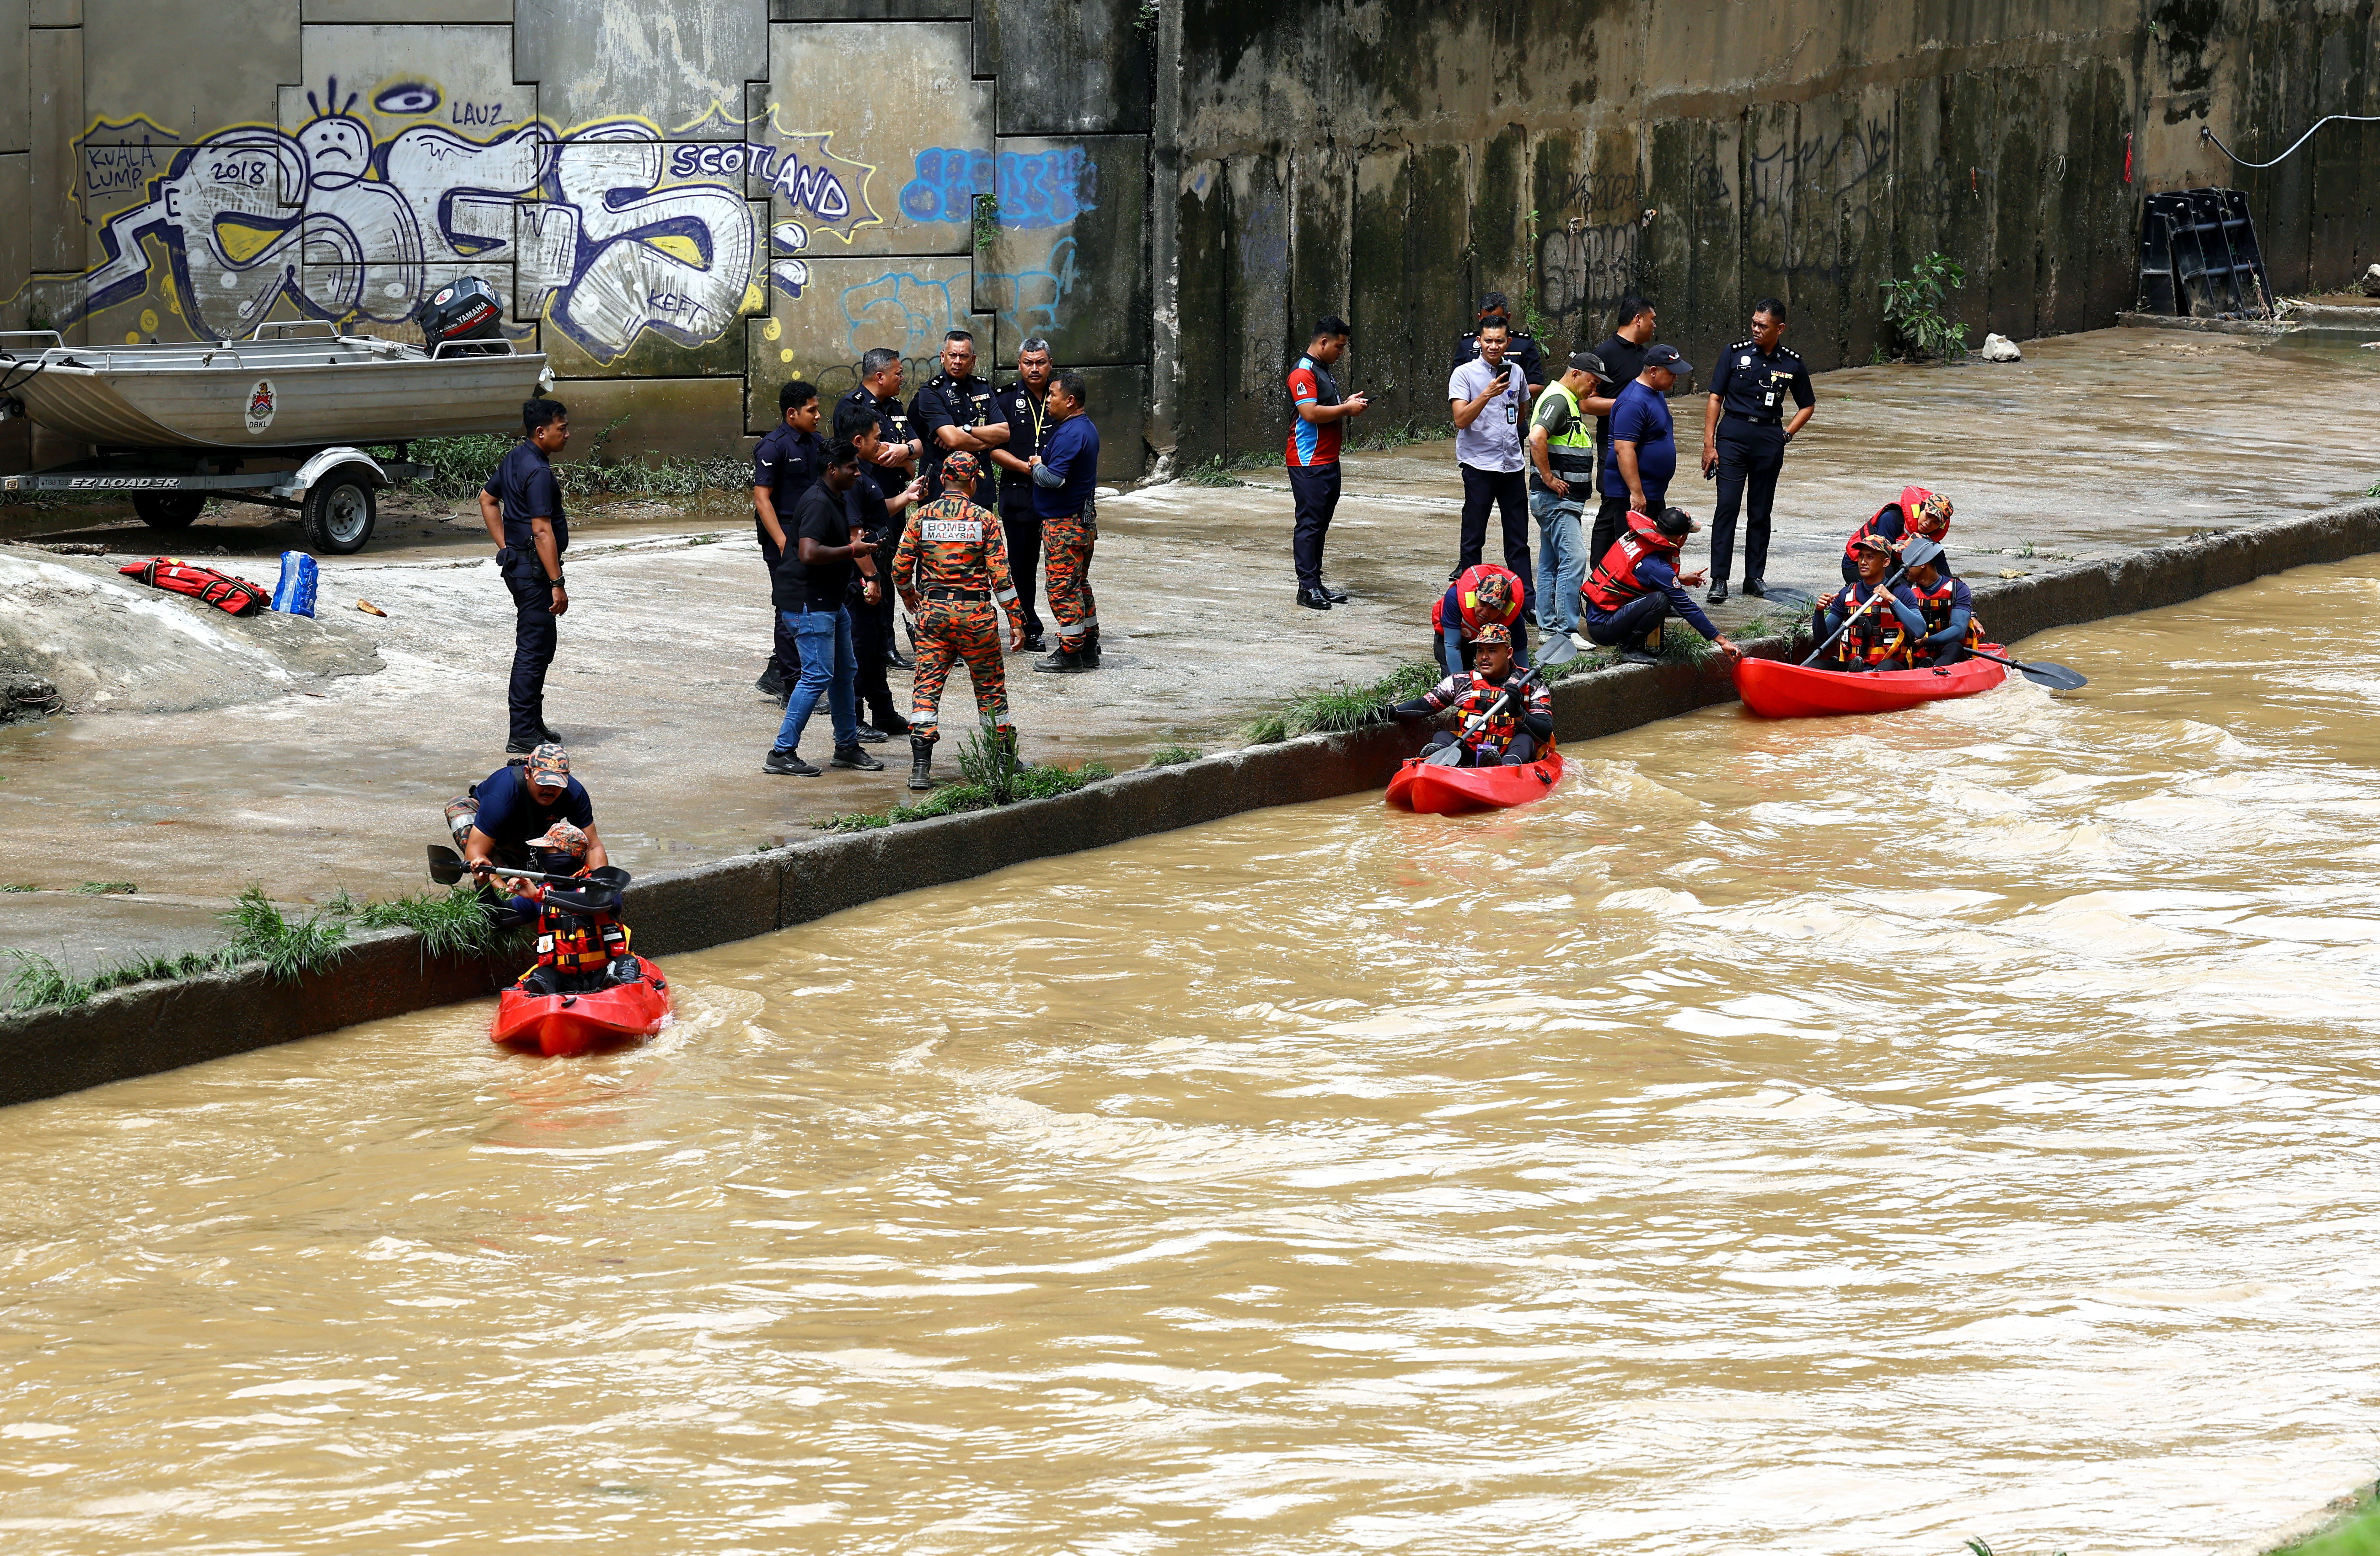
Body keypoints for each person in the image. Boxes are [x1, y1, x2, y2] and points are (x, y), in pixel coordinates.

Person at [892, 450, 1026, 791]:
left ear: (942, 479)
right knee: (991, 688)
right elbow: (1002, 577)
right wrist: (1017, 620)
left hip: (933, 616)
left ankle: (921, 768)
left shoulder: (921, 517)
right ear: (973, 482)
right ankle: (1005, 761)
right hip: (976, 618)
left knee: (927, 686)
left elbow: (898, 568)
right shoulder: (985, 520)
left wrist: (910, 596)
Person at [764, 438, 884, 776]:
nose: (858, 474)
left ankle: (846, 746)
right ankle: (781, 752)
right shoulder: (818, 501)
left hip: (830, 601)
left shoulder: (836, 496)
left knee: (845, 672)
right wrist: (853, 551)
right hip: (808, 602)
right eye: (852, 468)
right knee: (817, 675)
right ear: (833, 469)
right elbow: (808, 553)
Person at [1699, 298, 1815, 603]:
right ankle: (1719, 579)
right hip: (1733, 436)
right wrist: (1709, 444)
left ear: (1780, 329)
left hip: (1767, 437)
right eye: (1753, 323)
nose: (1756, 329)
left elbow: (1808, 405)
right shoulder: (1734, 354)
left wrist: (1786, 435)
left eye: (1763, 326)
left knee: (1760, 512)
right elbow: (1715, 398)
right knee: (1727, 507)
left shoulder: (1791, 362)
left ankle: (1754, 577)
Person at [477, 397, 570, 755]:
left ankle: (532, 722)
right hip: (534, 574)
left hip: (520, 565)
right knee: (533, 650)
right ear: (541, 432)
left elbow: (487, 499)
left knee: (543, 646)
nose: (567, 436)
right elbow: (543, 530)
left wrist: (506, 548)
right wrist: (557, 583)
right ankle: (521, 732)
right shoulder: (539, 472)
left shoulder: (518, 457)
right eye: (562, 430)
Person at [832, 401, 928, 739]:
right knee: (857, 648)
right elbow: (855, 535)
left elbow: (878, 510)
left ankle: (884, 714)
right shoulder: (851, 478)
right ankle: (854, 719)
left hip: (875, 569)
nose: (883, 444)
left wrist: (906, 497)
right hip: (860, 576)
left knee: (874, 646)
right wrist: (871, 579)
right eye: (877, 438)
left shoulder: (866, 472)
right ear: (859, 442)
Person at [839, 348, 923, 670]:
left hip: (892, 497)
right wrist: (903, 456)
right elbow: (865, 453)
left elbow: (918, 446)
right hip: (866, 497)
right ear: (880, 376)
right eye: (898, 373)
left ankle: (886, 644)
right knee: (867, 570)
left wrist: (903, 450)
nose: (903, 378)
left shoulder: (896, 407)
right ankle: (868, 643)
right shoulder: (852, 407)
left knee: (890, 568)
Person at [487, 821, 640, 996]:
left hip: (605, 972)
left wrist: (543, 896)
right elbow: (500, 919)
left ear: (567, 854)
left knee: (626, 963)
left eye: (548, 852)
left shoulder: (603, 886)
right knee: (540, 975)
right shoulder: (540, 891)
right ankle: (543, 1001)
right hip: (564, 980)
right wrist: (483, 882)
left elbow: (592, 904)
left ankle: (622, 992)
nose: (543, 856)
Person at [1447, 317, 1533, 624]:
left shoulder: (1517, 372)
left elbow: (1522, 411)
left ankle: (1526, 601)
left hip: (1511, 464)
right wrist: (1487, 394)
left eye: (1499, 341)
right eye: (1488, 341)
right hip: (1479, 465)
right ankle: (1469, 602)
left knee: (1518, 538)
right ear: (1480, 343)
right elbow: (1460, 420)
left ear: (1508, 342)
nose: (1494, 346)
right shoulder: (1464, 375)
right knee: (1473, 537)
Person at [460, 742, 606, 923]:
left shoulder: (575, 793)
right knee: (457, 807)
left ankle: (528, 867)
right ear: (528, 773)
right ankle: (502, 870)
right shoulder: (502, 793)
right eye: (543, 782)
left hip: (536, 835)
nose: (549, 789)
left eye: (557, 783)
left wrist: (600, 889)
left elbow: (593, 845)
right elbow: (474, 852)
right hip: (497, 832)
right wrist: (500, 890)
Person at [1581, 507, 1745, 667]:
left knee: (1663, 594)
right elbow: (1688, 608)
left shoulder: (1637, 536)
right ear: (1680, 537)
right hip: (1603, 627)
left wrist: (1680, 578)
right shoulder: (1658, 568)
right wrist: (1723, 642)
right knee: (1661, 601)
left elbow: (1638, 573)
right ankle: (1628, 649)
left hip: (1597, 612)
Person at [1382, 625, 1554, 767]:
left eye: (1492, 651)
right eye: (1480, 651)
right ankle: (1436, 762)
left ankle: (1504, 769)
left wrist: (1519, 713)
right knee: (1442, 737)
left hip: (1510, 755)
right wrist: (1390, 711)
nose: (1484, 657)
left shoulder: (1531, 686)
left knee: (1525, 740)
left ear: (1509, 654)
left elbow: (1545, 733)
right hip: (1469, 752)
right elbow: (1424, 705)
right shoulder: (1462, 682)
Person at [1527, 349, 1605, 658]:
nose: (1594, 389)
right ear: (1576, 374)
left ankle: (1548, 628)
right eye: (1592, 382)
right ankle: (1566, 631)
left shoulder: (1566, 400)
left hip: (1560, 500)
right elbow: (1536, 438)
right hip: (1557, 500)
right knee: (1574, 560)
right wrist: (1548, 477)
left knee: (1551, 562)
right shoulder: (1559, 400)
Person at [1287, 315, 1370, 609]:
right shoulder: (1303, 372)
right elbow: (1310, 413)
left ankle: (1315, 582)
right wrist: (1346, 409)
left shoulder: (1322, 370)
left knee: (1320, 524)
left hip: (1328, 460)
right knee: (1310, 524)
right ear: (1323, 342)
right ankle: (1306, 588)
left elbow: (1325, 408)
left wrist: (1346, 403)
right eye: (1339, 346)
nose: (1342, 352)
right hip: (1308, 462)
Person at [752, 381, 825, 703]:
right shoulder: (774, 446)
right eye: (812, 410)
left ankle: (780, 673)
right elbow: (762, 499)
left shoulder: (818, 443)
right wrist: (782, 542)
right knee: (790, 610)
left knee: (815, 608)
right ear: (792, 413)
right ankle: (791, 686)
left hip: (814, 538)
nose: (819, 416)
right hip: (785, 538)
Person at [1029, 370, 1102, 673]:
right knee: (1079, 585)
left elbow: (1053, 479)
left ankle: (1070, 652)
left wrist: (1035, 466)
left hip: (1065, 527)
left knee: (1062, 590)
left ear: (1070, 401)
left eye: (1053, 396)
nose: (1048, 402)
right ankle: (1087, 645)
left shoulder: (1072, 433)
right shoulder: (1083, 428)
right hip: (1081, 523)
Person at [989, 337, 1056, 652]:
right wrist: (1028, 469)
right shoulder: (1003, 399)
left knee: (1061, 567)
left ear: (1050, 364)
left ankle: (1072, 629)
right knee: (1022, 569)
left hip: (1057, 495)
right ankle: (1028, 627)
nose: (1034, 368)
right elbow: (993, 449)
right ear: (1019, 365)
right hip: (1019, 494)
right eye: (1028, 363)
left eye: (1040, 362)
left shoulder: (1062, 396)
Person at [1587, 296, 1658, 563]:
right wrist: (1627, 405)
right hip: (1615, 445)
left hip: (1644, 449)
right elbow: (1586, 401)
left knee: (1637, 515)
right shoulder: (1604, 354)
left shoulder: (1645, 356)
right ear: (1638, 319)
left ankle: (1631, 575)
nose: (1654, 326)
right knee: (1613, 508)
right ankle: (1600, 576)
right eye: (1652, 320)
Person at [911, 328, 1007, 505]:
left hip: (978, 483)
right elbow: (954, 440)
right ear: (943, 356)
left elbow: (1004, 433)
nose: (957, 361)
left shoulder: (983, 388)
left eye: (963, 356)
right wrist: (988, 440)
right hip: (943, 485)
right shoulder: (931, 391)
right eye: (952, 355)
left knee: (980, 532)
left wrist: (966, 430)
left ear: (973, 360)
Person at [1605, 345, 1689, 537]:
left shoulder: (1655, 393)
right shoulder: (1633, 402)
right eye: (1672, 374)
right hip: (1634, 495)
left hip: (1652, 492)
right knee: (1636, 553)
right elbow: (1624, 449)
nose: (1675, 379)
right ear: (1653, 371)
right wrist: (1636, 493)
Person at [1811, 534, 1923, 670]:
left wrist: (1892, 599)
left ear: (1885, 562)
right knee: (1814, 666)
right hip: (1854, 666)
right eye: (1861, 556)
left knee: (1886, 666)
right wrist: (1819, 612)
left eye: (1870, 557)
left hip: (1890, 668)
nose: (1863, 562)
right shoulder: (1846, 594)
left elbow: (1920, 631)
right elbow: (1823, 639)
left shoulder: (1901, 593)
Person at [1431, 561, 1530, 676]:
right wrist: (1459, 683)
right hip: (1454, 640)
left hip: (1488, 644)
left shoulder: (1514, 617)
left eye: (1494, 608)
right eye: (1482, 604)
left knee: (1497, 681)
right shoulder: (1454, 598)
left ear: (1504, 608)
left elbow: (1522, 665)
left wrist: (1525, 685)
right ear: (1476, 595)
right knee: (1454, 683)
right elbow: (1452, 646)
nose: (1485, 613)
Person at [1841, 486, 1955, 583]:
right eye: (1928, 516)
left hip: (1891, 564)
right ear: (1922, 508)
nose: (1928, 524)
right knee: (1903, 592)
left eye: (1935, 522)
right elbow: (1883, 559)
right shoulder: (1891, 518)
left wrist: (1957, 591)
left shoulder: (1931, 538)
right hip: (1858, 565)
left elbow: (1944, 572)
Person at [1898, 537, 1983, 665]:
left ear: (1923, 563)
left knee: (1955, 647)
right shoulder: (1905, 590)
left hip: (1949, 653)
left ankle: (1934, 669)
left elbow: (1959, 631)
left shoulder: (1958, 589)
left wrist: (1927, 641)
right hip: (1917, 653)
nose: (1903, 567)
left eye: (1907, 562)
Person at [1451, 292, 1546, 401]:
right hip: (1477, 413)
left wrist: (1506, 391)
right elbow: (1456, 386)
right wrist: (1486, 394)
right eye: (1486, 320)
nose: (1494, 347)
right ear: (1479, 318)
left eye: (1498, 320)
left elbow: (1537, 385)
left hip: (1511, 411)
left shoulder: (1523, 343)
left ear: (1508, 317)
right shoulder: (1467, 344)